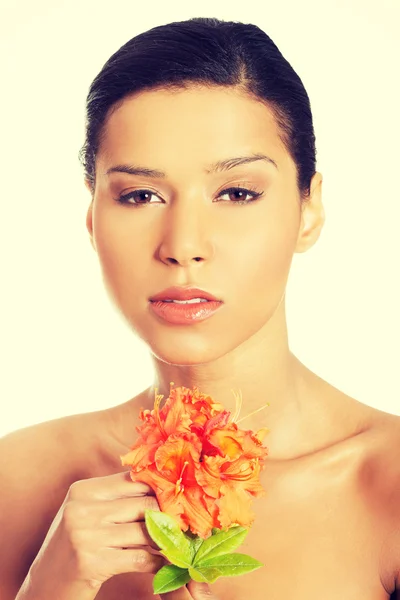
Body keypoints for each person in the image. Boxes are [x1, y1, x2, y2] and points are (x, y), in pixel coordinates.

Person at [1, 15, 399, 600]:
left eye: (236, 193)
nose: (183, 244)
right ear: (92, 220)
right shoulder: (18, 481)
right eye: (140, 195)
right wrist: (52, 586)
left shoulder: (387, 485)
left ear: (309, 210)